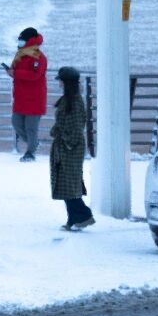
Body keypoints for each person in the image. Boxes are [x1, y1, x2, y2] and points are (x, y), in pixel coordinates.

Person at [50, 65, 95, 230]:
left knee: (69, 184)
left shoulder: (74, 101)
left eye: (61, 80)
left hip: (70, 149)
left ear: (66, 82)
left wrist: (65, 142)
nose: (59, 83)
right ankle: (75, 218)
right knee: (66, 184)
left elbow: (76, 128)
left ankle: (83, 216)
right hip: (66, 147)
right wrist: (56, 132)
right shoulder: (70, 99)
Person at [3, 27, 48, 161]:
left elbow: (35, 75)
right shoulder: (20, 54)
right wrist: (11, 72)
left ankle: (30, 152)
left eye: (22, 40)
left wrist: (15, 73)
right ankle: (33, 144)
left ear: (29, 41)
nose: (20, 42)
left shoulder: (39, 56)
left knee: (31, 128)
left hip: (35, 98)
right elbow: (15, 71)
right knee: (16, 123)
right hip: (21, 97)